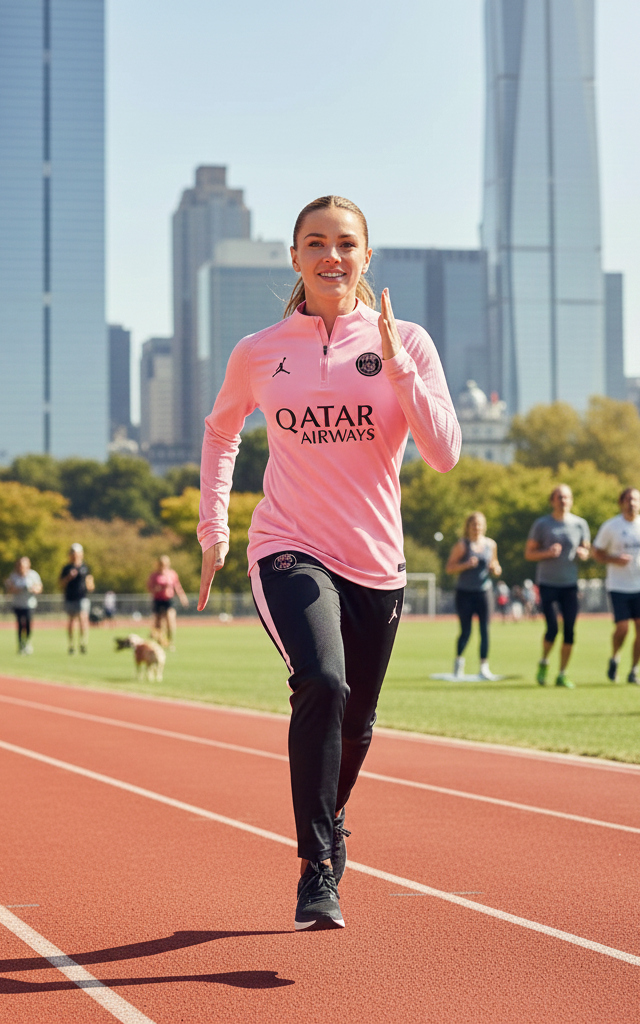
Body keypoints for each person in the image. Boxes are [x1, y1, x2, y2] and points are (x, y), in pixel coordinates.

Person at [197, 195, 460, 931]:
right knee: (322, 680)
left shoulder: (406, 341)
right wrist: (212, 523)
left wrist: (401, 368)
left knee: (359, 723)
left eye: (346, 244)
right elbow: (221, 433)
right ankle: (317, 866)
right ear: (295, 257)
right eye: (315, 243)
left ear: (366, 257)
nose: (331, 256)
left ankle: (332, 821)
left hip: (376, 564)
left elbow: (443, 455)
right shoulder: (259, 350)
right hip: (287, 546)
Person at [592, 487, 640, 685]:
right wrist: (613, 559)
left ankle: (634, 670)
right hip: (618, 585)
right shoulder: (611, 526)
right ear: (621, 503)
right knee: (622, 628)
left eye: (636, 500)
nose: (632, 503)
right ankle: (615, 657)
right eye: (628, 500)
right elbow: (596, 552)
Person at [524, 485, 591, 688]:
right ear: (552, 500)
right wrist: (546, 553)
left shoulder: (580, 524)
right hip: (548, 584)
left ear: (571, 501)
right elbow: (529, 554)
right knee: (552, 628)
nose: (563, 501)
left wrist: (583, 554)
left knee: (570, 630)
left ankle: (562, 673)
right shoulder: (542, 524)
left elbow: (587, 550)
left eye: (567, 497)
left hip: (570, 584)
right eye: (559, 497)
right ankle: (544, 662)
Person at [445, 512, 502, 679]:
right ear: (468, 527)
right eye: (473, 525)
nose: (477, 528)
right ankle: (458, 664)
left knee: (485, 630)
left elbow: (496, 565)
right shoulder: (462, 545)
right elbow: (449, 568)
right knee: (466, 631)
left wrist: (495, 569)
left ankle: (484, 667)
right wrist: (465, 565)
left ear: (484, 526)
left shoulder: (491, 545)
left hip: (484, 592)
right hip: (464, 593)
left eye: (479, 525)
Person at [147, 555, 189, 649]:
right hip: (158, 600)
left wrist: (182, 597)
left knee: (170, 620)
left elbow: (177, 587)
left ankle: (170, 642)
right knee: (158, 624)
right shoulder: (154, 575)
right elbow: (149, 587)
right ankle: (159, 642)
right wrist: (156, 589)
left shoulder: (172, 574)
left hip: (168, 600)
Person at [59, 543, 94, 655]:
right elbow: (61, 583)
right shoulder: (66, 568)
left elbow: (90, 582)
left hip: (82, 597)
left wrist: (90, 585)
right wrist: (69, 577)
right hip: (70, 597)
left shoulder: (85, 567)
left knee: (83, 619)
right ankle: (71, 645)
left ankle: (83, 643)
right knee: (71, 621)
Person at [6, 556, 43, 654]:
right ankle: (20, 644)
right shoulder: (14, 576)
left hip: (29, 604)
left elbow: (39, 587)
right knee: (19, 625)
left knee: (27, 624)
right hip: (18, 604)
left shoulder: (33, 575)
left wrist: (32, 589)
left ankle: (27, 642)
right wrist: (20, 589)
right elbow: (10, 589)